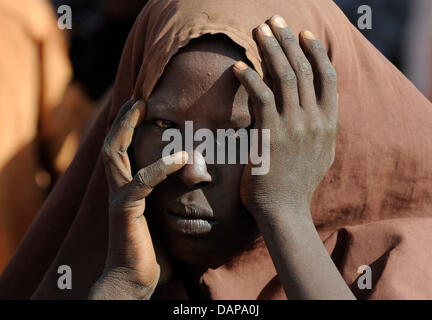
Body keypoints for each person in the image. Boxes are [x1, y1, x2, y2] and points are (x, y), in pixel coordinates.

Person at [1, 0, 432, 300]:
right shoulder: (94, 269)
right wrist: (122, 285)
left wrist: (284, 213)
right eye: (166, 126)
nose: (192, 168)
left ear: (318, 138)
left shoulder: (397, 262)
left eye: (238, 135)